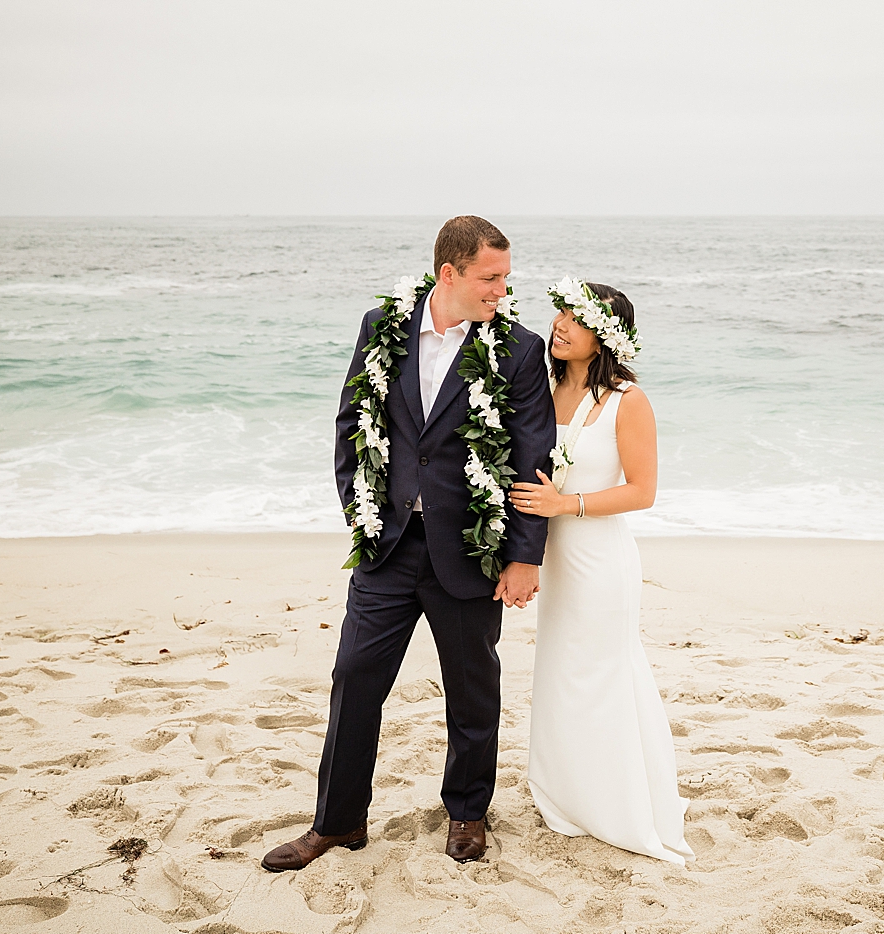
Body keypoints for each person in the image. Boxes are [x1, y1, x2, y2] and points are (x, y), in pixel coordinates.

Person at [261, 216, 555, 872]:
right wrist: (358, 512)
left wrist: (525, 554)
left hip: (470, 550)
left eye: (506, 277)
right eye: (490, 277)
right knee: (354, 680)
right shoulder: (381, 327)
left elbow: (537, 455)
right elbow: (350, 422)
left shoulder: (520, 350)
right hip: (388, 547)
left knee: (472, 690)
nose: (502, 290)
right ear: (448, 273)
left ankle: (468, 813)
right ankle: (337, 824)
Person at [508, 279, 693, 865]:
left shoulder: (626, 400)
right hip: (555, 557)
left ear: (605, 338)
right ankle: (567, 791)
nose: (560, 325)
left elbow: (643, 491)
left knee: (602, 673)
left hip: (599, 559)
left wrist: (567, 505)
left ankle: (618, 801)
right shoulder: (543, 387)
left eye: (576, 319)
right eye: (559, 312)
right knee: (561, 671)